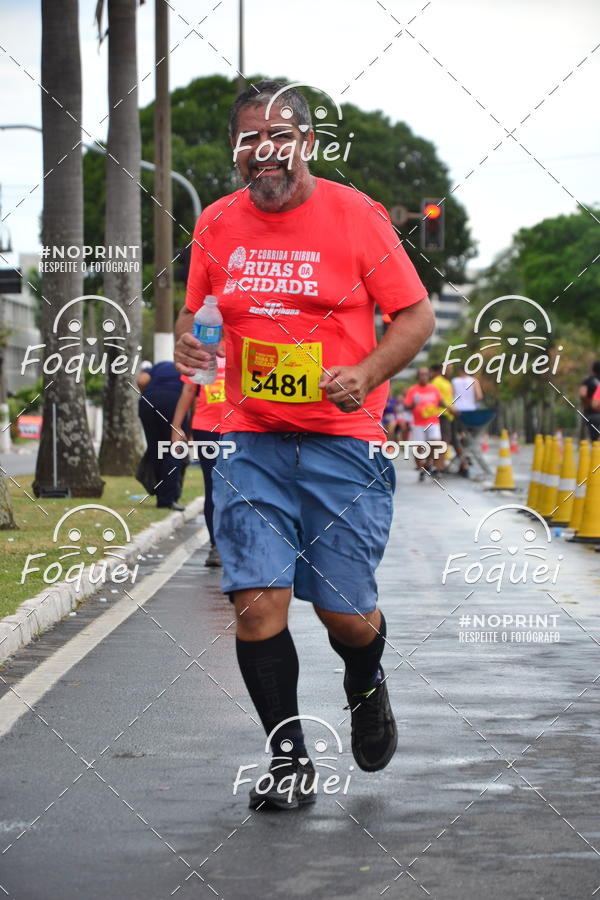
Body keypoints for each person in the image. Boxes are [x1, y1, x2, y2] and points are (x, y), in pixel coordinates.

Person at [174, 81, 433, 811]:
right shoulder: (217, 222)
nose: (266, 150)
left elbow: (415, 317)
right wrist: (189, 345)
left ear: (307, 144)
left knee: (345, 613)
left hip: (341, 443)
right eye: (250, 138)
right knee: (257, 605)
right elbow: (195, 315)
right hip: (248, 439)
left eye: (280, 136)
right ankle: (288, 760)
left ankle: (366, 681)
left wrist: (368, 372)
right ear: (236, 150)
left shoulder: (357, 217)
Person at [171, 355, 226, 567]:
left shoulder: (243, 344)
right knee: (213, 485)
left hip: (241, 427)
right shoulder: (202, 354)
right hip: (207, 428)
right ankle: (216, 546)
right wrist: (177, 427)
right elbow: (188, 390)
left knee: (242, 487)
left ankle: (241, 543)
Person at [137, 361, 188, 510]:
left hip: (147, 401)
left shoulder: (160, 366)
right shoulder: (190, 369)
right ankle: (167, 499)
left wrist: (150, 395)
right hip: (174, 401)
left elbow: (141, 381)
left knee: (156, 449)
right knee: (175, 450)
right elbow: (191, 395)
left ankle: (160, 492)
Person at [405, 367, 444, 480]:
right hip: (418, 423)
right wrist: (413, 405)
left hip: (433, 421)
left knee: (436, 443)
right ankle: (421, 468)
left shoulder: (434, 389)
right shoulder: (413, 390)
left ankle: (431, 465)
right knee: (419, 447)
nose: (423, 377)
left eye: (426, 374)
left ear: (429, 376)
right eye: (421, 374)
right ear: (418, 376)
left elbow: (441, 402)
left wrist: (451, 408)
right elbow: (406, 406)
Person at [430, 362, 455, 466]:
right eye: (448, 369)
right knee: (443, 440)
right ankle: (440, 464)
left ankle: (441, 462)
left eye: (451, 369)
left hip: (449, 414)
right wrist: (449, 408)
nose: (450, 371)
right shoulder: (437, 382)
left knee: (446, 439)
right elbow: (436, 399)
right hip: (441, 414)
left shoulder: (447, 382)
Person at [579, 360, 600, 441]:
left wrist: (588, 403)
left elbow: (582, 393)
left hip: (592, 413)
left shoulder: (588, 381)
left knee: (596, 441)